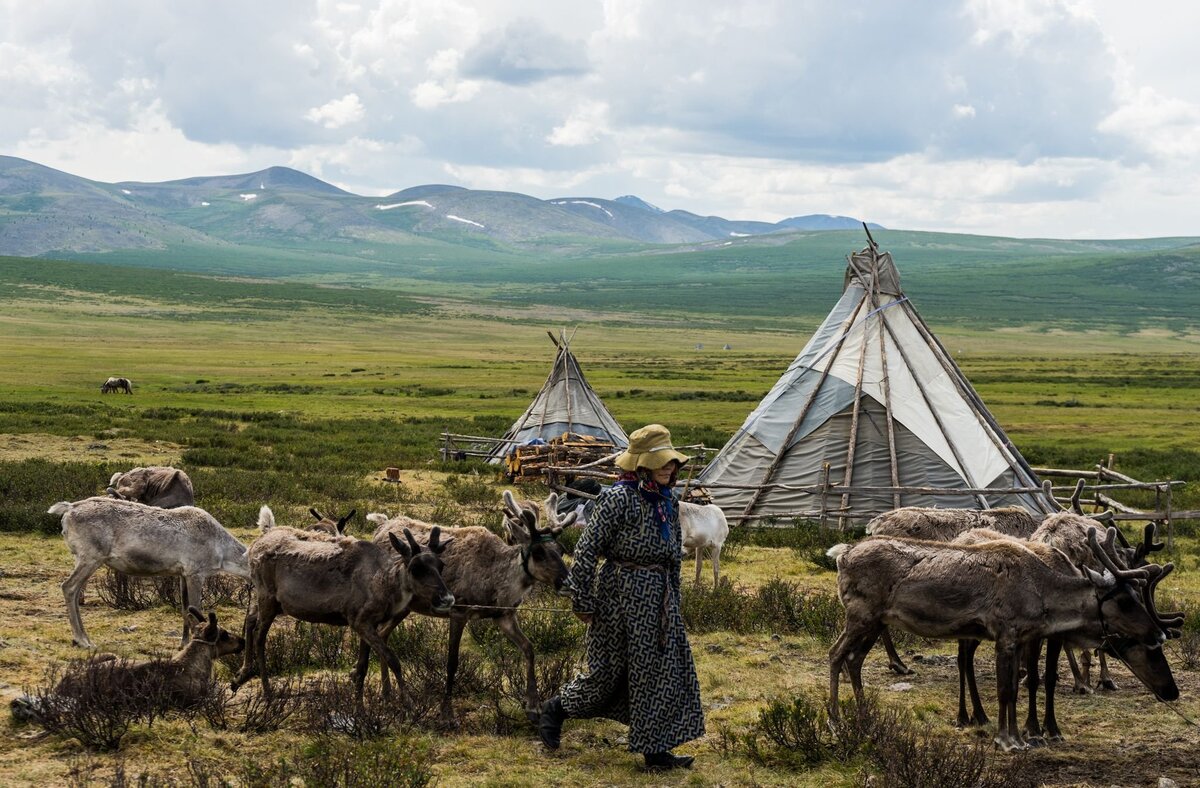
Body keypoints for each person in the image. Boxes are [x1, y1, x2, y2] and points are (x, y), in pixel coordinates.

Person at [538, 424, 705, 771]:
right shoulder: (618, 499)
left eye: (672, 462)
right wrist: (582, 600)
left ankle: (655, 750)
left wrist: (674, 600)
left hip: (659, 600)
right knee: (606, 673)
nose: (670, 468)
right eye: (662, 462)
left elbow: (673, 554)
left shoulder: (668, 502)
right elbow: (586, 551)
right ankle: (556, 708)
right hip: (619, 596)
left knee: (659, 673)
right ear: (641, 464)